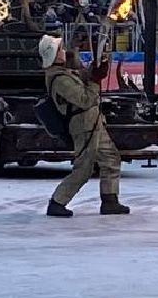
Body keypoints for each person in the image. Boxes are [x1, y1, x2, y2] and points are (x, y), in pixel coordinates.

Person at [41, 35, 128, 217]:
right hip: (83, 125)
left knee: (111, 159)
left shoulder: (65, 73)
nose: (64, 51)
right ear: (54, 56)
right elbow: (85, 99)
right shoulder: (59, 79)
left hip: (93, 121)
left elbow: (84, 79)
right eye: (60, 50)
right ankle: (57, 201)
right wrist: (95, 80)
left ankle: (110, 200)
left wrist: (97, 68)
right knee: (84, 168)